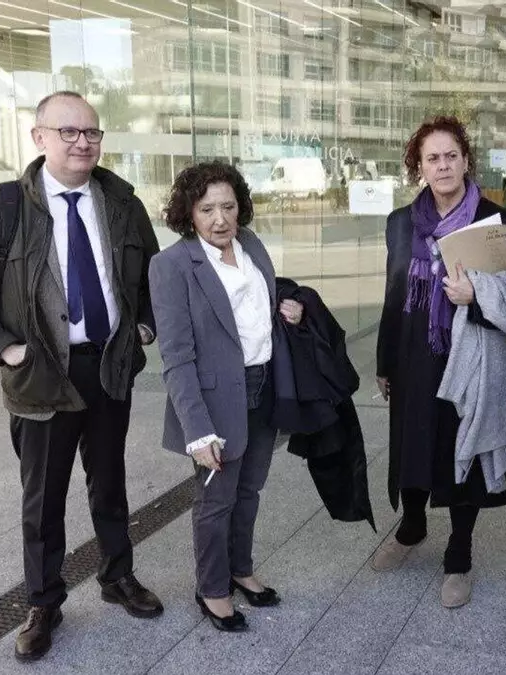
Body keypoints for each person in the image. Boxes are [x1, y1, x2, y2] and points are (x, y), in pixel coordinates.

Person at [0, 91, 163, 662]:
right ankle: (43, 602)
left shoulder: (122, 202)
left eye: (92, 132)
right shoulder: (0, 209)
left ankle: (117, 576)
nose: (83, 142)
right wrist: (7, 349)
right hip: (40, 374)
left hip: (108, 366)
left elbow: (150, 278)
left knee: (109, 481)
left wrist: (144, 326)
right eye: (69, 132)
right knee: (43, 499)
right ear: (39, 138)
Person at [373, 115, 506, 609]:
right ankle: (413, 525)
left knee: (464, 449)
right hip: (413, 356)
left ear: (466, 161)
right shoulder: (401, 223)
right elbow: (393, 293)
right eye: (432, 158)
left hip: (472, 355)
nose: (442, 166)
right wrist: (384, 362)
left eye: (451, 156)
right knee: (413, 444)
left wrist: (476, 295)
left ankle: (459, 553)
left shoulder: (500, 224)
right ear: (418, 167)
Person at [149, 162, 305, 632]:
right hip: (214, 402)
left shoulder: (251, 244)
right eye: (207, 209)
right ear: (188, 213)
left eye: (229, 207)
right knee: (216, 500)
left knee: (249, 490)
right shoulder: (172, 266)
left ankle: (241, 569)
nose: (220, 219)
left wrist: (288, 307)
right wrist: (197, 431)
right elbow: (176, 357)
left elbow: (258, 306)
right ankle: (212, 588)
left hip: (263, 386)